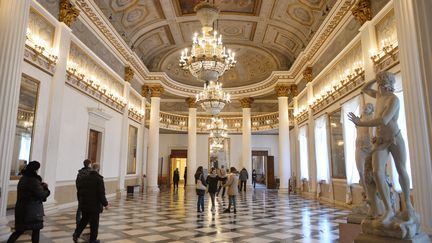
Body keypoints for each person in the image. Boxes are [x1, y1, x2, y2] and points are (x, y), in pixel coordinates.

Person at [348, 71, 415, 224]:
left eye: (381, 83)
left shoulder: (394, 99)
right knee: (377, 173)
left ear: (387, 85)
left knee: (401, 169)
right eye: (379, 83)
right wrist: (376, 76)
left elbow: (383, 120)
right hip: (379, 141)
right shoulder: (378, 96)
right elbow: (365, 89)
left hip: (394, 138)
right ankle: (388, 209)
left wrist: (361, 123)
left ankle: (408, 205)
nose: (379, 87)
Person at [7, 161, 50, 243]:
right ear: (35, 170)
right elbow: (41, 195)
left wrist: (40, 186)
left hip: (21, 208)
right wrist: (46, 189)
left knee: (19, 230)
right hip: (32, 211)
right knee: (35, 230)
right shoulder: (33, 180)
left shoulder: (23, 178)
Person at [73, 163, 108, 243]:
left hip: (84, 203)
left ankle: (76, 233)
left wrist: (80, 201)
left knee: (84, 220)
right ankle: (93, 240)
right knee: (94, 224)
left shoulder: (84, 178)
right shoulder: (99, 179)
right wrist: (105, 204)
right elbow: (101, 193)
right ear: (98, 169)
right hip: (94, 206)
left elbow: (79, 190)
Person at [75, 159, 92, 227]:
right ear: (89, 164)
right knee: (89, 208)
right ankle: (88, 220)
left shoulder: (80, 172)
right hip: (88, 194)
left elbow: (77, 183)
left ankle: (78, 221)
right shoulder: (90, 173)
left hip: (80, 193)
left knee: (80, 207)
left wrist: (80, 190)